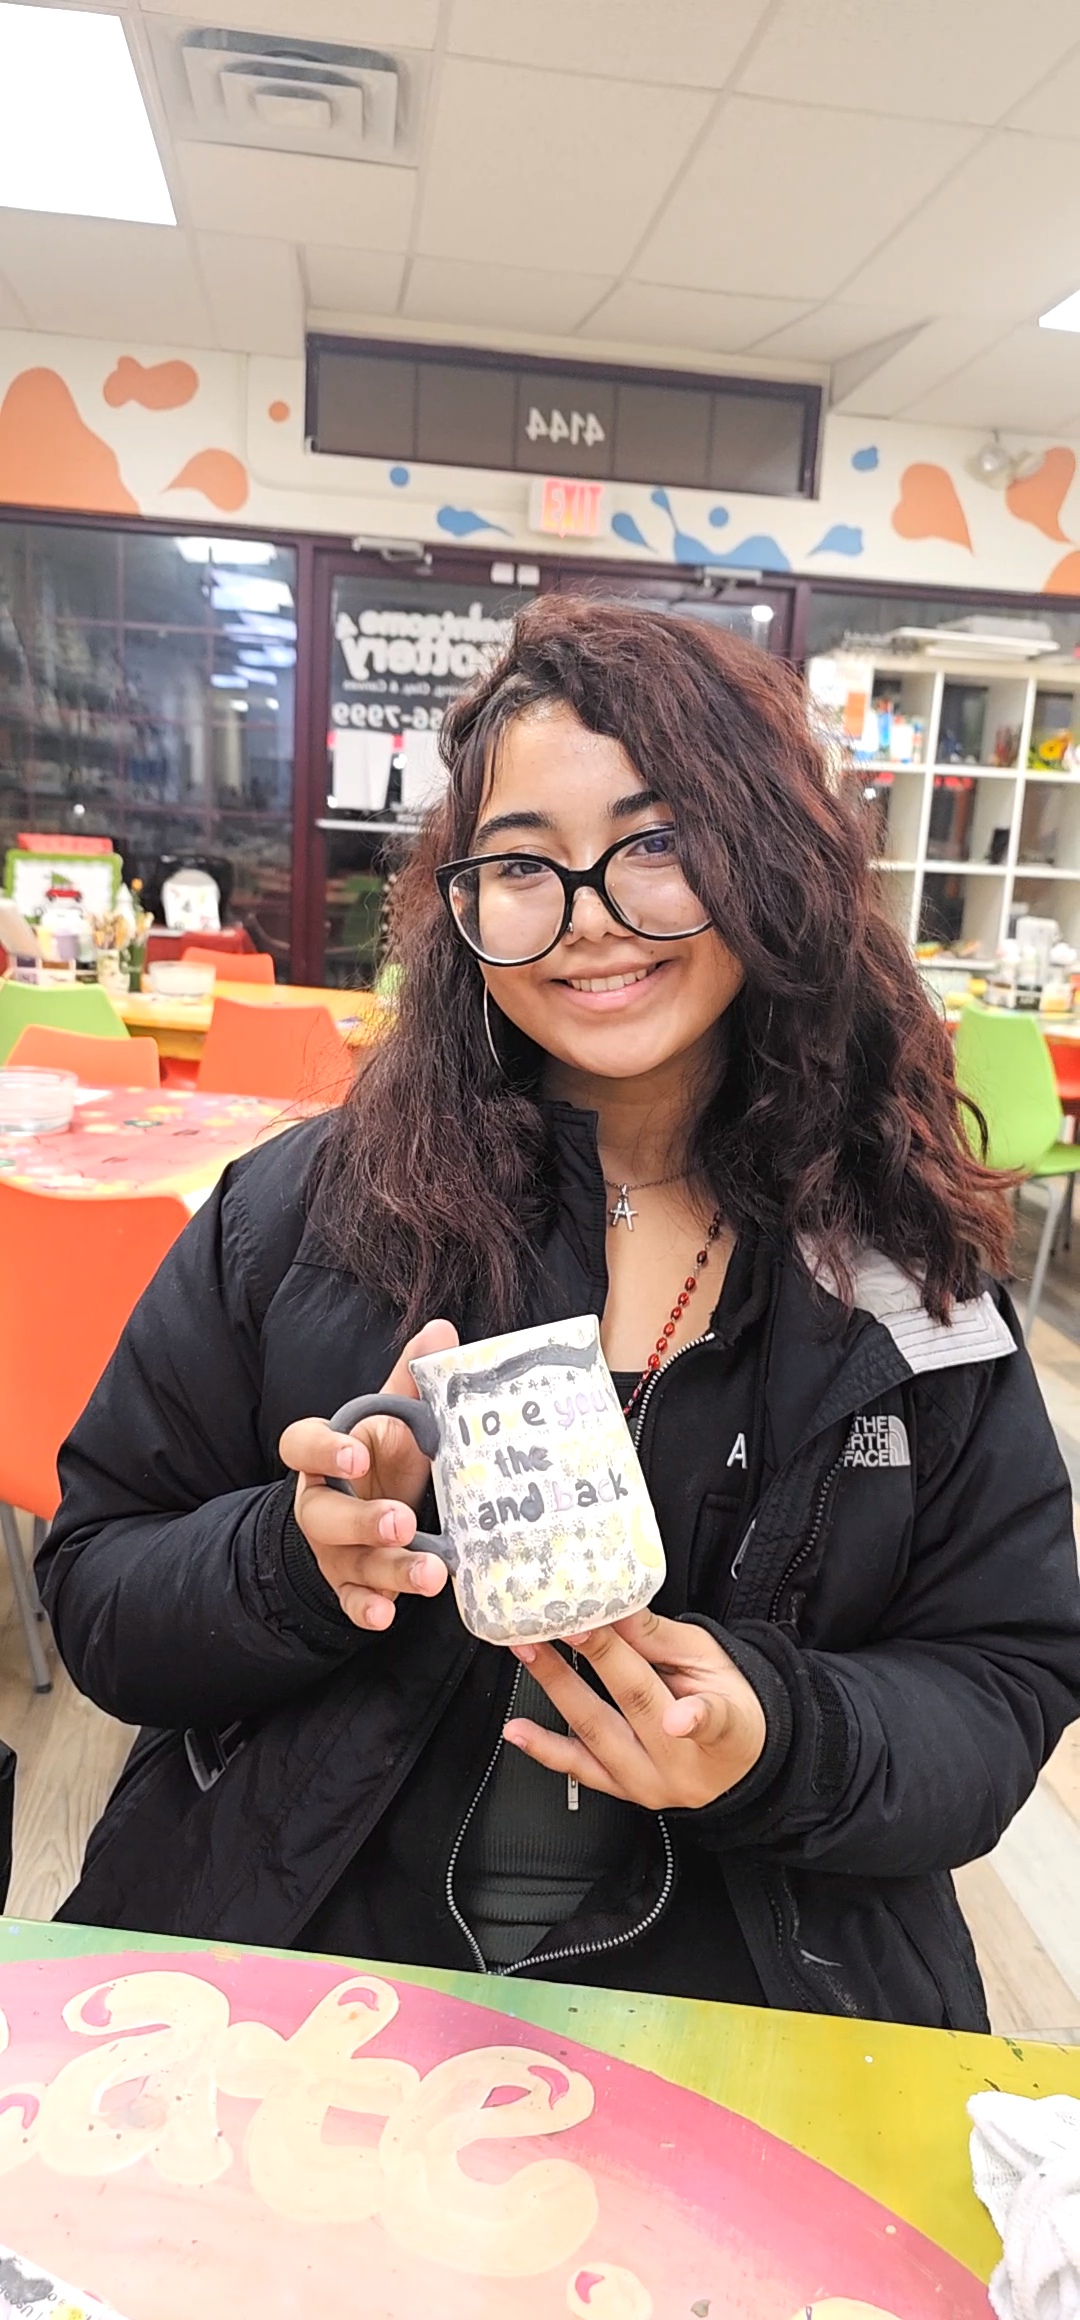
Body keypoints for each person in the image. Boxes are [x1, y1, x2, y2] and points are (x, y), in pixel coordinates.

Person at [40, 597, 1080, 2029]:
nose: (591, 918)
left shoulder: (903, 1265)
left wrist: (779, 1739)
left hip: (745, 2001)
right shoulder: (301, 1216)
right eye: (526, 862)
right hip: (313, 1965)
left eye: (657, 843)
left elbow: (1005, 1670)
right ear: (463, 900)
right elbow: (98, 1581)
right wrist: (295, 1557)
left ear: (770, 858)